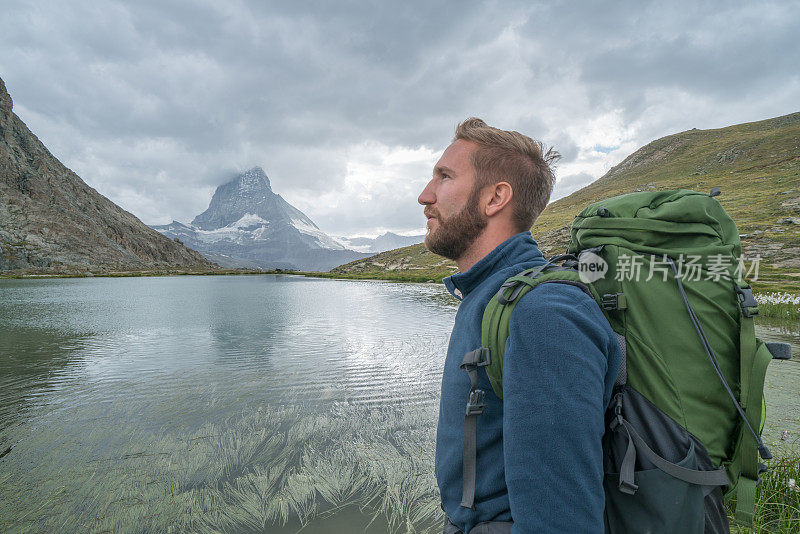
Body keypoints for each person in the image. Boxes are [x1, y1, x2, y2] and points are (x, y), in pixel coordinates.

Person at [418, 118, 622, 534]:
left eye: (444, 176)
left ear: (495, 198)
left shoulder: (543, 313)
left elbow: (563, 521)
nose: (425, 195)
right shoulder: (488, 294)